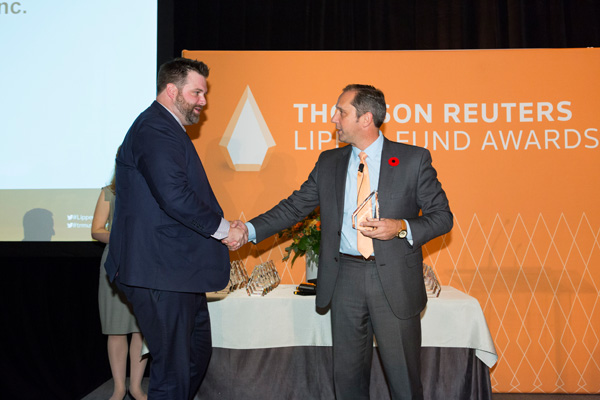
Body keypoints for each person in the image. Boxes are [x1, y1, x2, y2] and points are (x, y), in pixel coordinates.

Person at [228, 84, 453, 400]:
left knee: (404, 381)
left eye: (341, 112)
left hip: (394, 281)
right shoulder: (329, 162)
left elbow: (442, 217)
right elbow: (294, 207)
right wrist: (249, 230)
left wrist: (401, 227)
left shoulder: (412, 160)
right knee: (347, 381)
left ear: (366, 118)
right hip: (345, 279)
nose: (333, 118)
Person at [104, 57, 248, 400]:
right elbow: (175, 197)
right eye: (196, 92)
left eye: (204, 93)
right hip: (158, 272)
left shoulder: (165, 128)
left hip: (177, 273)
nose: (203, 101)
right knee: (174, 370)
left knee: (194, 356)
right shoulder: (154, 128)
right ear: (171, 90)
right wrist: (224, 229)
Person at [91, 172, 147, 400]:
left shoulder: (151, 191)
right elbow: (96, 229)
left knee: (141, 329)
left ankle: (136, 388)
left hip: (144, 262)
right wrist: (119, 238)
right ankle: (119, 389)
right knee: (115, 328)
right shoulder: (110, 192)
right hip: (115, 263)